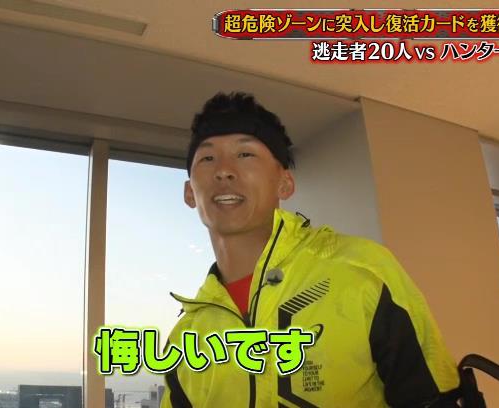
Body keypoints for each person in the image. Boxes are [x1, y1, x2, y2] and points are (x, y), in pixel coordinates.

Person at [160, 92, 461, 408]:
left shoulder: (363, 270)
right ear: (189, 193)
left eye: (245, 154)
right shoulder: (186, 337)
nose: (223, 170)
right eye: (207, 158)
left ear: (284, 184)